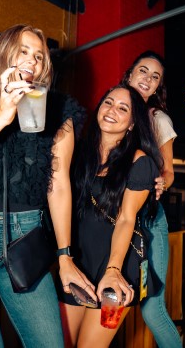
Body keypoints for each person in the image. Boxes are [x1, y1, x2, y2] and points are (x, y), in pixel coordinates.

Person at [0, 24, 87, 347]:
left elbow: (58, 187)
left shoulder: (60, 114)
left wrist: (65, 255)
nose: (33, 60)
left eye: (40, 56)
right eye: (24, 51)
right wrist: (2, 115)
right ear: (3, 54)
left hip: (26, 237)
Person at [57, 84, 163, 347]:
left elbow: (127, 218)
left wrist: (113, 270)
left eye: (122, 108)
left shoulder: (140, 163)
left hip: (117, 269)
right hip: (77, 264)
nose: (112, 110)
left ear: (132, 124)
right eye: (108, 102)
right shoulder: (77, 151)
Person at [121, 50, 182, 348]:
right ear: (130, 73)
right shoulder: (113, 109)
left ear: (158, 86)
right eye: (143, 71)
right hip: (114, 218)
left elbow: (169, 171)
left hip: (148, 220)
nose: (147, 79)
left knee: (152, 309)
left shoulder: (157, 118)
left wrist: (161, 182)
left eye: (155, 76)